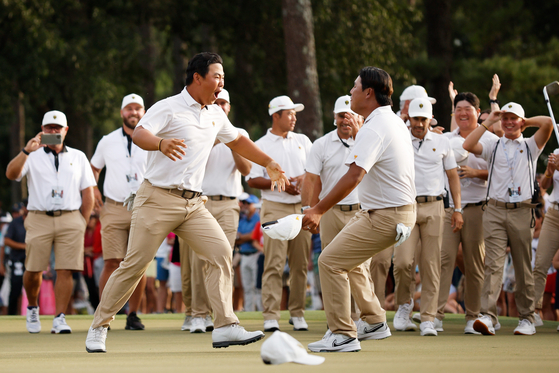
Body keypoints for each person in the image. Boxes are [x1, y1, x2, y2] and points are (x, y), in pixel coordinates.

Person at [85, 52, 288, 353]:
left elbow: (238, 141)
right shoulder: (168, 107)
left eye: (222, 78)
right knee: (134, 266)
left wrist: (268, 160)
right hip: (156, 200)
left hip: (193, 205)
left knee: (220, 253)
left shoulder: (216, 113)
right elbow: (140, 133)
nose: (221, 83)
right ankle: (99, 327)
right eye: (217, 76)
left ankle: (225, 326)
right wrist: (161, 143)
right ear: (197, 78)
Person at [303, 66, 416, 352]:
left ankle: (342, 334)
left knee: (329, 262)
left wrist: (316, 209)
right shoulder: (385, 122)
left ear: (368, 92)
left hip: (387, 215)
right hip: (388, 212)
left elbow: (354, 176)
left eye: (354, 86)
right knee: (345, 260)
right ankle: (375, 321)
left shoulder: (375, 127)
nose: (350, 91)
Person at [301, 95, 391, 338]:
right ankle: (344, 322)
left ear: (358, 118)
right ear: (334, 117)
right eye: (341, 116)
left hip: (361, 211)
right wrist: (310, 211)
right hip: (330, 212)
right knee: (332, 264)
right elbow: (312, 179)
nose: (345, 121)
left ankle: (369, 319)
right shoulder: (320, 144)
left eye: (349, 116)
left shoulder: (368, 138)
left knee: (358, 267)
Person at [463, 102, 553, 335]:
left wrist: (526, 121)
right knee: (493, 264)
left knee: (523, 265)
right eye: (506, 118)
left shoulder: (530, 144)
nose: (509, 122)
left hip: (522, 210)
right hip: (494, 209)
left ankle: (527, 317)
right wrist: (489, 121)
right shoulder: (494, 144)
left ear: (521, 122)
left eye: (514, 119)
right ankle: (488, 316)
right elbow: (468, 144)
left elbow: (548, 123)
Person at [6, 110, 96, 334]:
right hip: (39, 217)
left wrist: (81, 222)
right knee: (33, 268)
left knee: (66, 270)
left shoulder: (78, 156)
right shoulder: (32, 154)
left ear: (66, 131)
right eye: (49, 128)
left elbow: (88, 193)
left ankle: (60, 317)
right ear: (42, 129)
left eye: (57, 128)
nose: (53, 131)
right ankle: (33, 307)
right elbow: (11, 174)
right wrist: (27, 149)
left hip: (70, 217)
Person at [179, 88, 251, 333]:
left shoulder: (239, 134)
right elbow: (190, 162)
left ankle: (222, 313)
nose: (220, 106)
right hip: (202, 202)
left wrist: (231, 142)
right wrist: (212, 138)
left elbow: (246, 169)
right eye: (217, 102)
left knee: (223, 258)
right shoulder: (198, 130)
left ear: (229, 108)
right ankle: (199, 314)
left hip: (230, 203)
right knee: (200, 260)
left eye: (224, 103)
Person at [392, 98, 463, 336]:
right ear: (408, 119)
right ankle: (404, 306)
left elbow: (452, 176)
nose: (419, 124)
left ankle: (428, 318)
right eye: (415, 119)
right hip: (406, 207)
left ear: (430, 120)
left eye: (423, 119)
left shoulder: (442, 142)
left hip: (434, 206)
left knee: (432, 265)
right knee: (402, 262)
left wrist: (458, 208)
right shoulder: (400, 139)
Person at [246, 95, 312, 332]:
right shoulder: (261, 144)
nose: (294, 118)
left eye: (295, 113)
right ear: (276, 116)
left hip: (300, 208)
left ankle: (297, 313)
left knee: (299, 264)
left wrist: (303, 178)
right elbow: (252, 179)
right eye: (290, 113)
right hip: (274, 206)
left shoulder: (304, 140)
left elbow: (315, 171)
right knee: (273, 263)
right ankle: (271, 315)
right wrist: (281, 183)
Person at [437, 92, 498, 334]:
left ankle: (473, 317)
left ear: (476, 112)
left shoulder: (492, 139)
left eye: (468, 109)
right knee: (443, 261)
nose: (463, 113)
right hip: (449, 208)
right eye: (458, 109)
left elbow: (502, 173)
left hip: (478, 208)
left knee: (475, 265)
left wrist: (475, 173)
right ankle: (435, 315)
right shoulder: (445, 139)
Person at [90, 93, 148, 330]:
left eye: (138, 108)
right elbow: (94, 168)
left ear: (143, 112)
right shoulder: (107, 140)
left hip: (144, 206)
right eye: (129, 109)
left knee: (139, 263)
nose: (133, 112)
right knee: (112, 262)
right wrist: (94, 189)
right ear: (121, 112)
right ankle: (105, 315)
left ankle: (133, 314)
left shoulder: (152, 137)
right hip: (114, 206)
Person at [533, 150, 559, 325]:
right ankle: (532, 313)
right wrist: (550, 169)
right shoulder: (557, 152)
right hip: (554, 213)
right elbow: (545, 184)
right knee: (540, 263)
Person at [236, 194, 262, 312]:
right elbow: (237, 238)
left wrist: (244, 237)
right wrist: (246, 237)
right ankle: (249, 311)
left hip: (256, 254)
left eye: (248, 203)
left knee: (257, 286)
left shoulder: (258, 218)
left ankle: (259, 311)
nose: (245, 205)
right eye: (244, 203)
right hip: (244, 254)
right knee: (246, 287)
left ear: (254, 205)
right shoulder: (243, 219)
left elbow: (253, 236)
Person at [4, 202, 27, 315]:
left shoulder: (38, 221)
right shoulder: (15, 223)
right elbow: (6, 241)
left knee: (34, 289)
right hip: (18, 260)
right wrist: (23, 246)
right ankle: (11, 315)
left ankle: (33, 314)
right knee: (16, 289)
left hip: (32, 260)